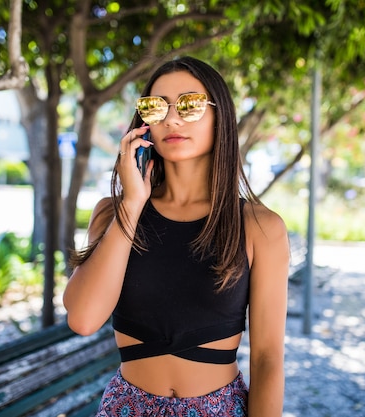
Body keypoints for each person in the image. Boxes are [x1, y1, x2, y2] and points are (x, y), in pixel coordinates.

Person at [63, 56, 290, 416]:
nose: (171, 118)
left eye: (190, 104)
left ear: (220, 117)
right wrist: (132, 204)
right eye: (156, 107)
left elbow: (266, 358)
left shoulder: (260, 227)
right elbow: (83, 319)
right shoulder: (114, 212)